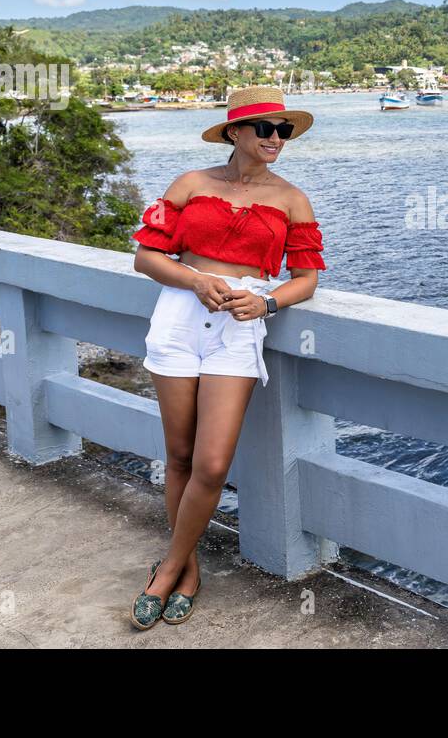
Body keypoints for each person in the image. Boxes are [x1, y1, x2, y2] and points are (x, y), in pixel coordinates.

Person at [127, 85, 325, 630]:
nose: (277, 139)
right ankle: (186, 572)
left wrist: (266, 301)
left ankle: (166, 567)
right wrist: (196, 281)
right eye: (266, 128)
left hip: (239, 328)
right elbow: (147, 257)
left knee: (213, 463)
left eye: (284, 130)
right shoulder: (191, 184)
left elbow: (305, 280)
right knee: (180, 454)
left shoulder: (292, 200)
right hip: (179, 318)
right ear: (234, 132)